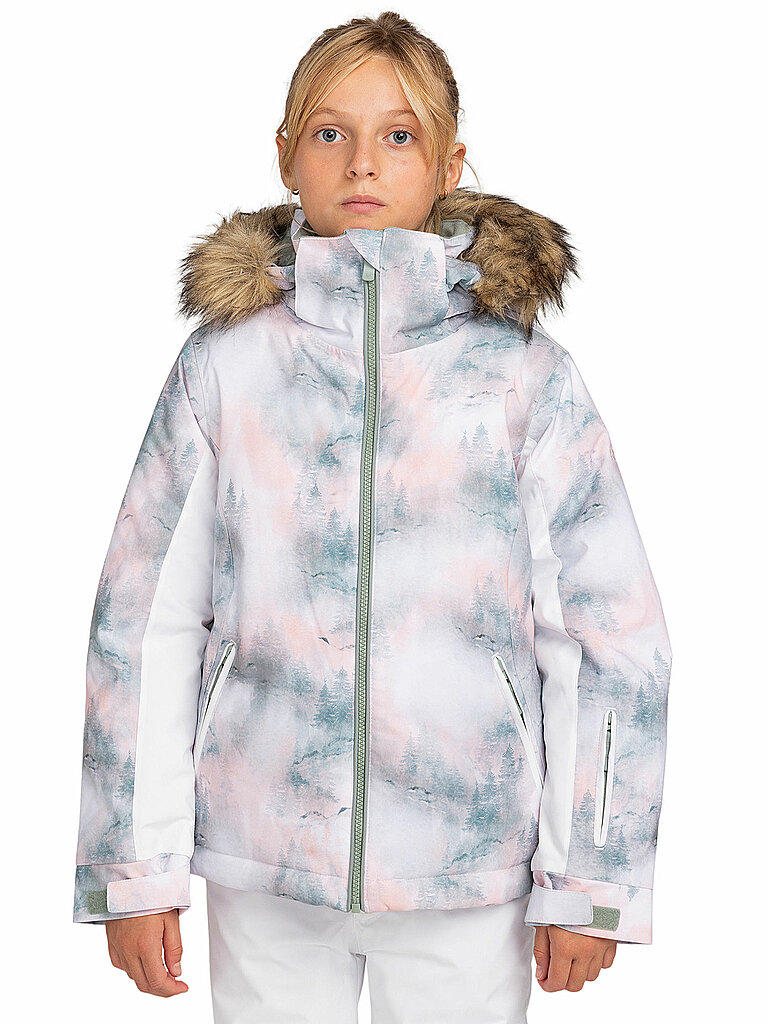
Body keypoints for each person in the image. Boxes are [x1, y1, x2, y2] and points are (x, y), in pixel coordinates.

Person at [72, 11, 672, 1022]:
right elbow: (142, 621)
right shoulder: (226, 367)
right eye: (330, 132)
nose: (362, 161)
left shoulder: (522, 375)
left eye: (399, 135)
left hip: (468, 863)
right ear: (285, 156)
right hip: (264, 853)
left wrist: (594, 879)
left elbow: (611, 635)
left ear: (448, 164)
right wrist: (133, 869)